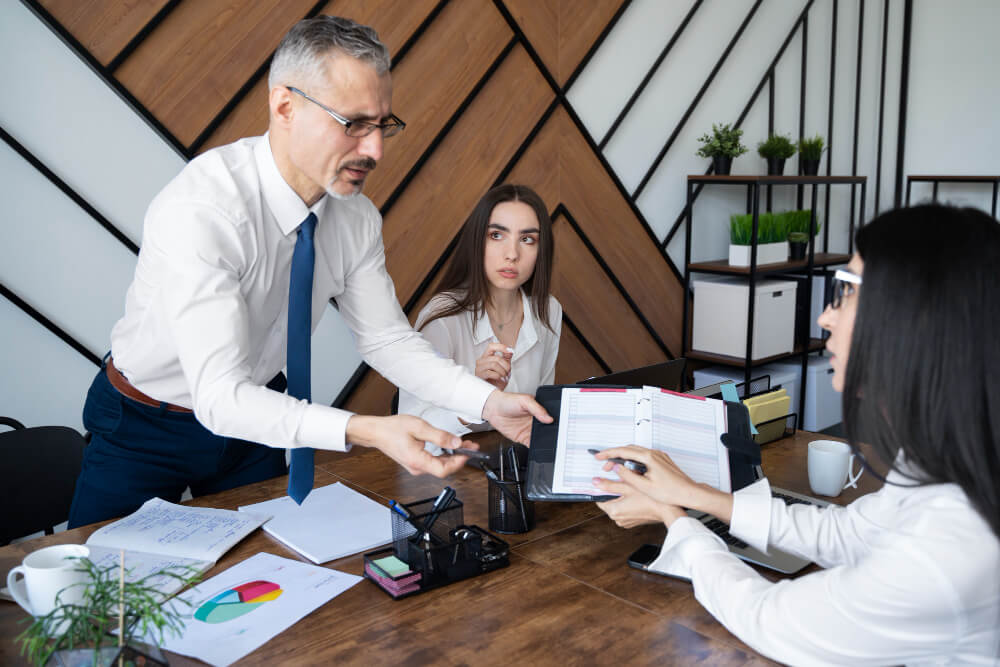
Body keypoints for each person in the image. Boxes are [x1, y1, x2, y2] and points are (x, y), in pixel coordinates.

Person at [68, 16, 550, 528]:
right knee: (97, 598)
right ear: (284, 106)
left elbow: (387, 340)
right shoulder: (205, 210)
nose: (375, 150)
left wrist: (490, 402)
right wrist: (368, 429)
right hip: (144, 424)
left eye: (382, 124)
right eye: (353, 124)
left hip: (259, 423)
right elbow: (220, 397)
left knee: (261, 583)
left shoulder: (355, 216)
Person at [593, 204, 1000, 664]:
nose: (826, 317)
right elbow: (851, 533)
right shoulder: (946, 455)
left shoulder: (947, 551)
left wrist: (676, 519)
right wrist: (698, 495)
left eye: (845, 291)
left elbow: (769, 620)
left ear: (914, 316)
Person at [398, 184, 561, 442]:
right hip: (445, 464)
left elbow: (541, 408)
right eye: (497, 235)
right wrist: (476, 397)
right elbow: (411, 427)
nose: (512, 254)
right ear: (477, 241)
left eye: (527, 239)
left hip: (513, 462)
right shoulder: (442, 318)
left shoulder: (548, 310)